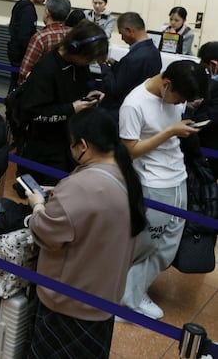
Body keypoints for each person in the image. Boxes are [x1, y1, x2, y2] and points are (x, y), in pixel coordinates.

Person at [26, 107, 147, 359]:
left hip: (70, 301)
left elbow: (46, 231)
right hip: (104, 297)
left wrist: (37, 205)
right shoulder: (126, 174)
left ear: (82, 145)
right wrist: (59, 196)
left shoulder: (81, 185)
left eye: (72, 144)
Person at [119, 60, 208, 319]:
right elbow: (131, 151)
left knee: (167, 246)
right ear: (166, 85)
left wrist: (183, 122)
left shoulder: (173, 95)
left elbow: (172, 120)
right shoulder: (134, 104)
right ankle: (126, 301)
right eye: (180, 98)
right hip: (152, 183)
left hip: (177, 177)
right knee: (146, 245)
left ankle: (133, 294)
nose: (179, 103)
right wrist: (170, 132)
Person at [18, 22, 108, 184]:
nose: (89, 63)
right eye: (88, 58)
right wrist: (72, 108)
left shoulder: (79, 66)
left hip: (70, 143)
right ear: (74, 49)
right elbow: (32, 112)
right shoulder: (46, 69)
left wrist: (89, 96)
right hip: (45, 148)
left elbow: (79, 89)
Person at [100, 12, 162, 120]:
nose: (122, 38)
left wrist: (104, 65)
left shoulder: (133, 58)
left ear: (130, 30)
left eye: (122, 34)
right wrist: (116, 64)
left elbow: (114, 88)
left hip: (120, 111)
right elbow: (134, 74)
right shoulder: (154, 51)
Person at [7, 0, 50, 91]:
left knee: (14, 81)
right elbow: (24, 35)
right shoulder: (28, 10)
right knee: (18, 83)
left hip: (14, 49)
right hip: (20, 53)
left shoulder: (21, 4)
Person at [18, 0, 71, 84]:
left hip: (42, 90)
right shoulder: (74, 34)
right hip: (67, 90)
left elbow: (25, 71)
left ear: (47, 13)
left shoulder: (40, 38)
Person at [189, 41, 218, 179]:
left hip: (211, 143)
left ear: (214, 65)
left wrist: (189, 123)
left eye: (207, 68)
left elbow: (213, 115)